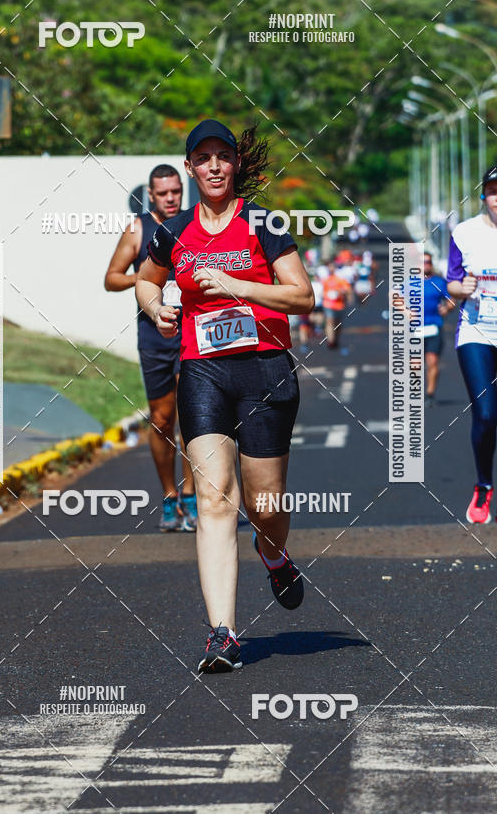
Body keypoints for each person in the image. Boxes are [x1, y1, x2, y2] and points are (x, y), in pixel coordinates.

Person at [136, 119, 314, 672]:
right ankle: (223, 633)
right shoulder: (174, 230)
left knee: (265, 507)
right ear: (190, 168)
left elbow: (302, 296)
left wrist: (241, 286)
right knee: (214, 499)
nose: (213, 166)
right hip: (203, 371)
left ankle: (273, 552)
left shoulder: (265, 224)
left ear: (236, 165)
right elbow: (146, 279)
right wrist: (155, 308)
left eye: (223, 156)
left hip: (265, 371)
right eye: (202, 157)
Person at [104, 164, 197, 532]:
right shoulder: (138, 229)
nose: (172, 198)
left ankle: (192, 495)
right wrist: (144, 277)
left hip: (190, 330)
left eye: (176, 191)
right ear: (151, 196)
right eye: (163, 194)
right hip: (154, 333)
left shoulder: (194, 223)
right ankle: (169, 496)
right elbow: (110, 278)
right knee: (162, 419)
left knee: (191, 414)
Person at [447, 164, 497, 524]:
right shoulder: (464, 233)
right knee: (486, 414)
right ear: (483, 195)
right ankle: (483, 485)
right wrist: (460, 289)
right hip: (478, 331)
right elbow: (451, 282)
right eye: (494, 190)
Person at [423, 251, 452, 407]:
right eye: (423, 262)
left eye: (428, 262)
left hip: (434, 326)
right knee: (414, 365)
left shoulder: (439, 282)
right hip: (414, 328)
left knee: (432, 361)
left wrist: (447, 308)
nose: (426, 265)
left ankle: (430, 393)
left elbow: (451, 299)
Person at [321, 260, 352, 349]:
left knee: (338, 324)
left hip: (339, 305)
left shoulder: (340, 279)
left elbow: (347, 290)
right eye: (329, 267)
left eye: (332, 267)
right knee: (330, 321)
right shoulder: (325, 280)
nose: (331, 269)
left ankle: (336, 338)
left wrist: (341, 292)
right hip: (328, 304)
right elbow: (321, 291)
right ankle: (331, 341)